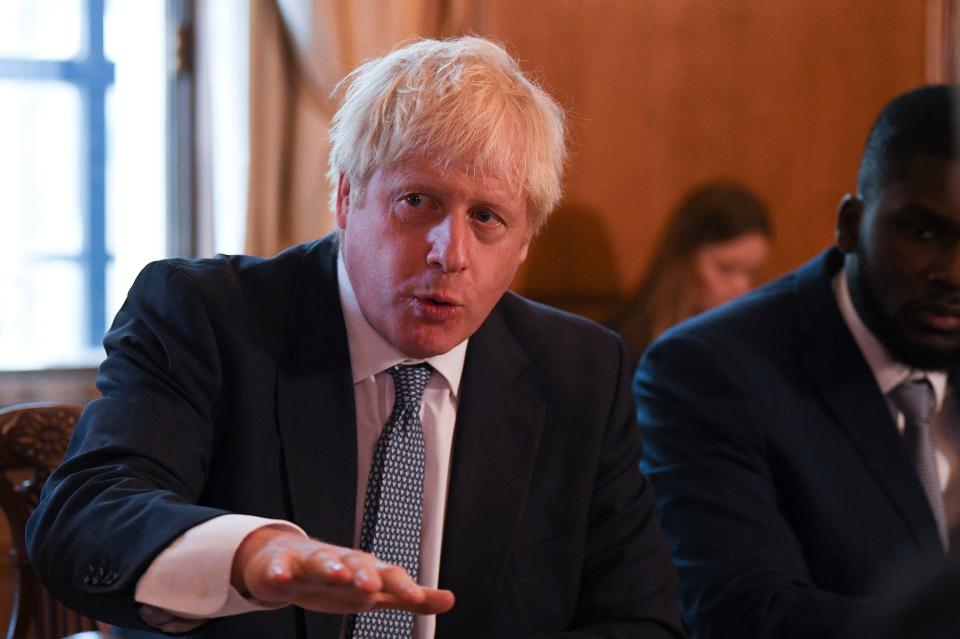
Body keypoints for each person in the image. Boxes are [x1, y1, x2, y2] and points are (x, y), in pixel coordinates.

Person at [26, 36, 684, 639]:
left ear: (522, 245)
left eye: (487, 217)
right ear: (345, 198)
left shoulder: (579, 371)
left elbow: (641, 620)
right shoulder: (206, 317)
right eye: (417, 202)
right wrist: (250, 554)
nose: (449, 253)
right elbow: (84, 520)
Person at [634, 83, 960, 639]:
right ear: (852, 225)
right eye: (922, 232)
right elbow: (743, 614)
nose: (952, 273)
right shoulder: (705, 370)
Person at [614, 181, 771, 368]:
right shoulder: (621, 350)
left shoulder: (753, 351)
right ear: (684, 260)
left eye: (752, 273)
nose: (742, 287)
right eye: (726, 268)